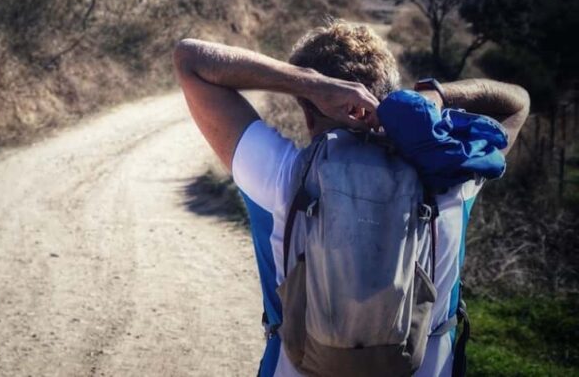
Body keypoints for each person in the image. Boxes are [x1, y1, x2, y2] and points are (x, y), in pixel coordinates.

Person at [172, 21, 529, 377]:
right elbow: (517, 103)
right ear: (389, 92)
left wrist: (309, 84)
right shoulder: (453, 175)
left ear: (308, 111)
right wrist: (433, 97)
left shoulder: (279, 176)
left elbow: (190, 59)